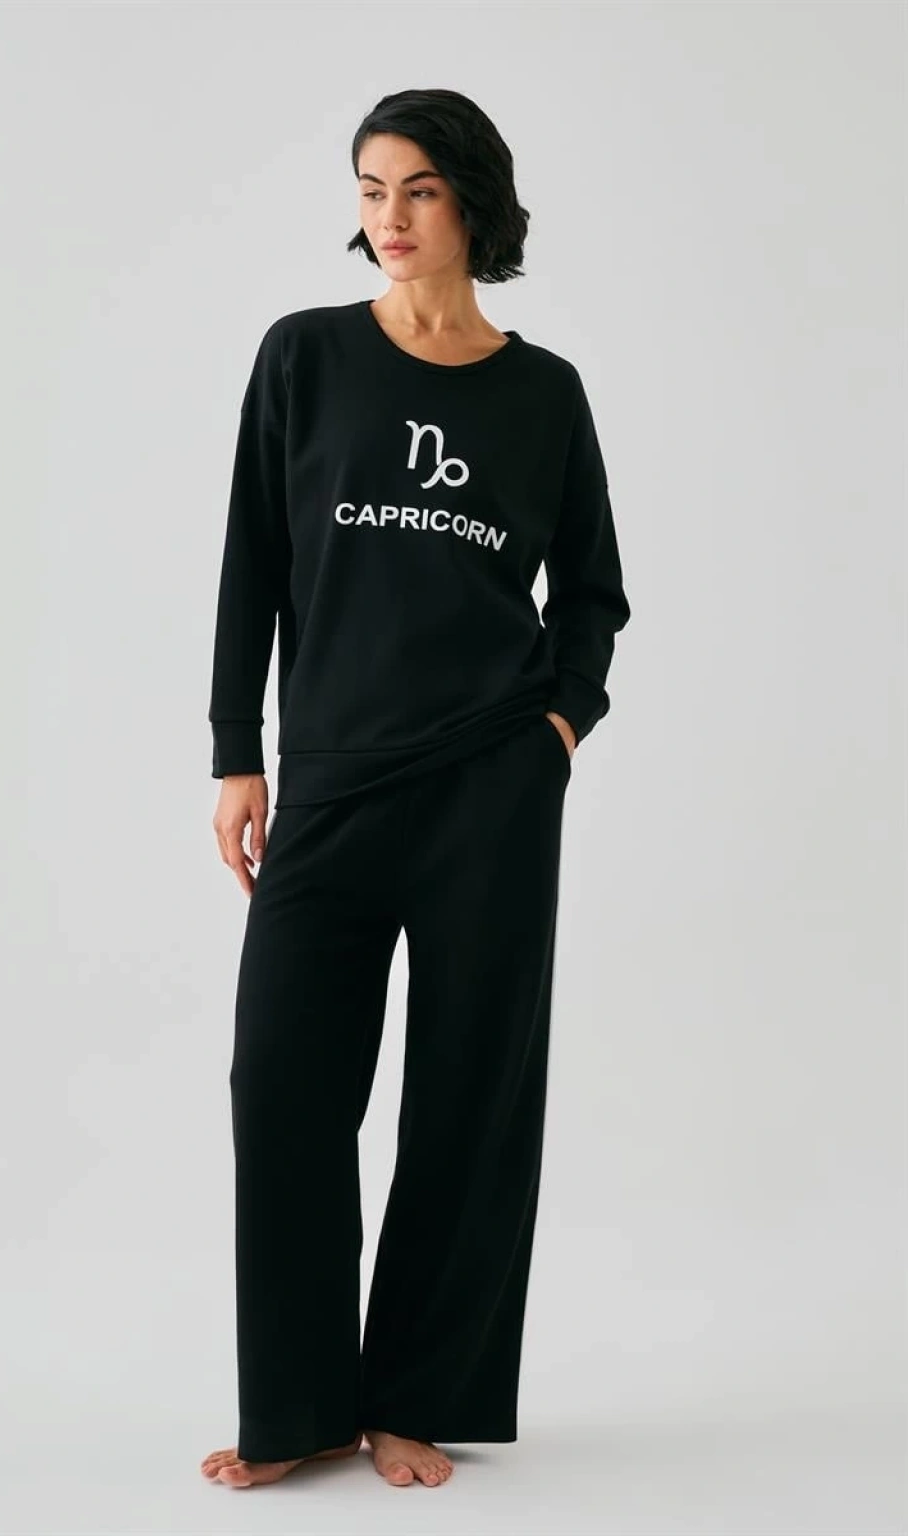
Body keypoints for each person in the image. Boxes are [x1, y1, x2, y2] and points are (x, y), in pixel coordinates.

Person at [200, 87, 631, 1493]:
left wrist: (557, 728)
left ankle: (415, 1399)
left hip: (489, 789)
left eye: (420, 190)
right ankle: (300, 1409)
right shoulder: (307, 356)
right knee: (283, 1085)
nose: (390, 217)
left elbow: (594, 595)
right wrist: (238, 751)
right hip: (330, 781)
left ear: (472, 204)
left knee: (467, 1097)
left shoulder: (543, 394)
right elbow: (254, 558)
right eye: (372, 189)